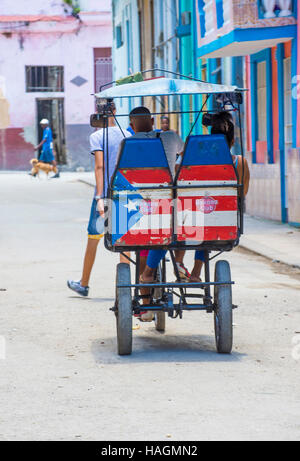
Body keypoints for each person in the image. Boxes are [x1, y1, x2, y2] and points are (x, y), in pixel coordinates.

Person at [140, 110, 250, 305]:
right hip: (221, 223)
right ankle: (196, 272)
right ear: (232, 141)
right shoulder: (239, 162)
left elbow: (177, 189)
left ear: (210, 139)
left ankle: (148, 272)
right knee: (209, 222)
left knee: (169, 226)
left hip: (188, 222)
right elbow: (242, 194)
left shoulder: (191, 161)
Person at [67, 100, 132, 297]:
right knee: (123, 240)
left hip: (104, 194)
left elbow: (99, 167)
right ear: (114, 111)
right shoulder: (127, 135)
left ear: (97, 112)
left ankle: (84, 283)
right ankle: (125, 287)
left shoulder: (96, 136)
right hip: (124, 193)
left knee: (93, 238)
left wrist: (99, 197)